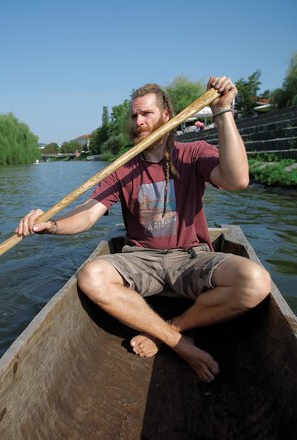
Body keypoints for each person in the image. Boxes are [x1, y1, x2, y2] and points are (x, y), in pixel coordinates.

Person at [15, 76, 271, 382]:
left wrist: (223, 111)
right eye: (134, 115)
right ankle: (180, 344)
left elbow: (237, 180)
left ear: (166, 116)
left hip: (191, 257)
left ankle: (171, 331)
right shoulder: (123, 166)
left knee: (256, 281)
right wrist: (52, 225)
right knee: (91, 276)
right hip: (141, 259)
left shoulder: (192, 153)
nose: (138, 121)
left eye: (146, 113)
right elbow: (87, 214)